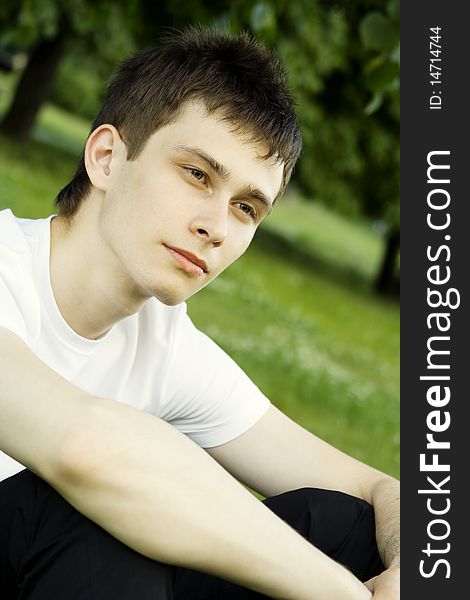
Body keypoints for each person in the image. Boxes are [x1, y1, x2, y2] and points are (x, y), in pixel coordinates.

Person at [0, 27, 399, 599]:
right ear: (108, 158)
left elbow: (378, 490)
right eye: (197, 175)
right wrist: (341, 593)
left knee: (346, 527)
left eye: (245, 207)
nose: (216, 226)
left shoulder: (163, 346)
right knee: (85, 511)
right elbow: (87, 449)